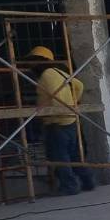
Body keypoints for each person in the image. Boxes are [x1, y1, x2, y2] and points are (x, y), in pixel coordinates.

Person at [26, 45, 94, 195]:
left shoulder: (47, 75)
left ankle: (69, 186)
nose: (30, 66)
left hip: (57, 122)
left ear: (39, 61)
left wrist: (58, 111)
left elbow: (55, 96)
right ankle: (88, 180)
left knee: (59, 156)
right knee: (75, 154)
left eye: (32, 62)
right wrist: (74, 102)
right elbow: (79, 85)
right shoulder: (60, 72)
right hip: (70, 120)